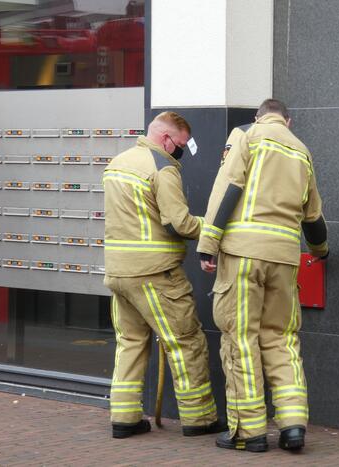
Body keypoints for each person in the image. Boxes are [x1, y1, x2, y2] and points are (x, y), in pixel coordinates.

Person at [197, 98, 328, 452]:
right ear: (288, 120)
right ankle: (293, 425)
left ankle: (249, 431)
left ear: (259, 116)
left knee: (241, 339)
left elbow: (228, 187)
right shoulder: (301, 151)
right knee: (282, 339)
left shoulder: (246, 135)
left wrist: (208, 243)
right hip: (284, 258)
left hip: (243, 254)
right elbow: (313, 214)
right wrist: (320, 250)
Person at [102, 111, 225, 439]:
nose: (180, 152)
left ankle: (124, 419)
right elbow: (178, 222)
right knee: (186, 342)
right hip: (155, 274)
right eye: (180, 145)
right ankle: (199, 418)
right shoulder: (162, 167)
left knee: (130, 343)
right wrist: (212, 228)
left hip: (119, 273)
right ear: (166, 138)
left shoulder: (117, 163)